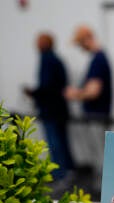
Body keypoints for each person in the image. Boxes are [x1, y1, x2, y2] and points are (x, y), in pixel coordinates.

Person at [23, 33, 74, 180]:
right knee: (62, 141)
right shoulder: (56, 59)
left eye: (39, 42)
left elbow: (47, 86)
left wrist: (34, 93)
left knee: (55, 143)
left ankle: (59, 174)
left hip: (51, 110)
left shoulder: (47, 59)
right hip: (59, 109)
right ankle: (67, 171)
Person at [65, 25, 112, 118]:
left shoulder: (98, 60)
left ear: (86, 40)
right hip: (98, 115)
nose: (80, 47)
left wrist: (74, 94)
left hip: (96, 116)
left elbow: (93, 92)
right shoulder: (100, 57)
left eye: (79, 44)